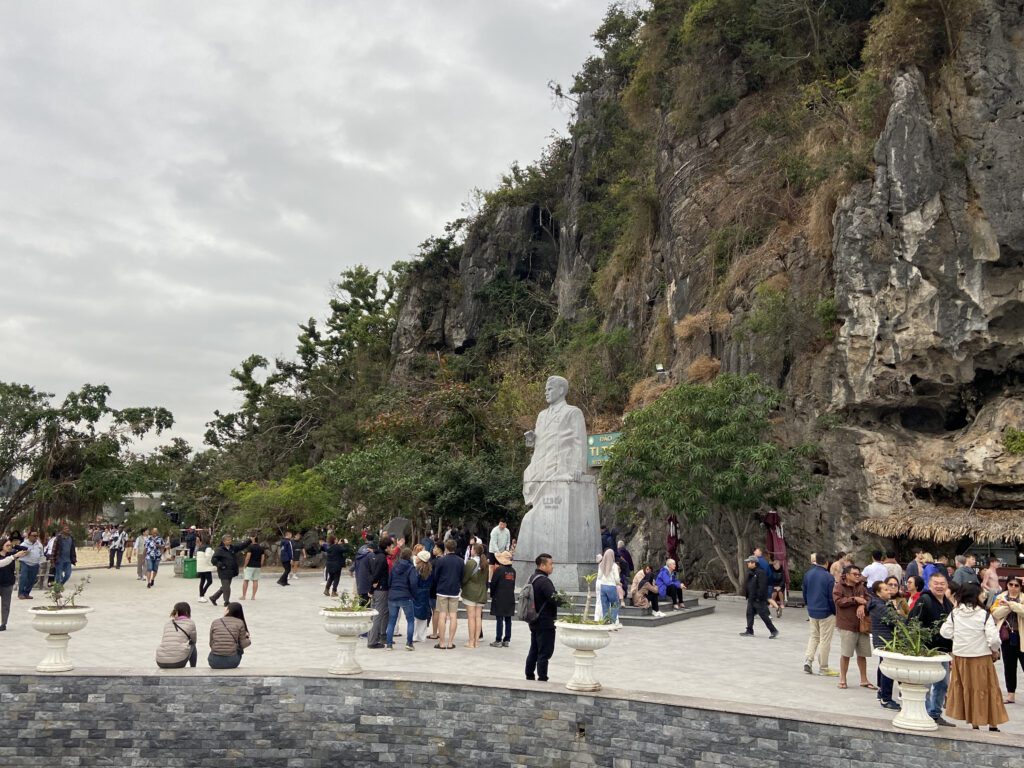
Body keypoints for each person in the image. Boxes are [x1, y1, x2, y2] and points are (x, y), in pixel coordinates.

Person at [940, 582, 1008, 731]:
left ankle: (974, 723)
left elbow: (945, 632)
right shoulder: (983, 614)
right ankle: (992, 724)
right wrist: (994, 650)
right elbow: (994, 639)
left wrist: (958, 637)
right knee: (987, 689)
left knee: (967, 689)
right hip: (980, 657)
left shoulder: (955, 613)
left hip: (960, 657)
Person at [909, 571, 955, 726]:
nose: (939, 586)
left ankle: (935, 713)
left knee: (943, 684)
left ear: (947, 585)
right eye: (936, 583)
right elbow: (913, 623)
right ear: (930, 584)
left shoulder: (947, 603)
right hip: (927, 650)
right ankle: (924, 712)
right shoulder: (924, 599)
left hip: (942, 652)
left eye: (942, 583)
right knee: (926, 685)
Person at [833, 564, 871, 690]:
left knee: (863, 654)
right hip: (847, 624)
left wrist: (862, 605)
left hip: (862, 625)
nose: (857, 576)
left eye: (859, 574)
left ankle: (864, 679)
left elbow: (869, 600)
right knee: (846, 653)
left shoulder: (861, 586)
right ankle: (843, 678)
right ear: (847, 575)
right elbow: (839, 602)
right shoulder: (839, 586)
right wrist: (855, 600)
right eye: (854, 574)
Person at [802, 552, 838, 676]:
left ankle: (808, 660)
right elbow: (830, 597)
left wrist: (809, 605)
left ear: (815, 561)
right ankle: (823, 667)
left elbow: (804, 592)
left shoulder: (808, 574)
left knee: (814, 637)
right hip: (826, 612)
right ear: (827, 563)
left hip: (812, 610)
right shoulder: (829, 577)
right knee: (825, 640)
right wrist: (835, 611)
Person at [991, 576, 1024, 704]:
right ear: (1007, 585)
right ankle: (1011, 694)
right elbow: (995, 613)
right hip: (1006, 637)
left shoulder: (1023, 598)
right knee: (1009, 666)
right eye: (1011, 584)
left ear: (1020, 587)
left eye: (1016, 585)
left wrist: (1010, 604)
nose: (1013, 588)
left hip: (1021, 636)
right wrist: (1011, 607)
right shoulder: (1000, 598)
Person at [868, 580, 900, 710]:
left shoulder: (884, 603)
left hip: (886, 639)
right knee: (888, 669)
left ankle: (881, 693)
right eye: (886, 589)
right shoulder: (878, 606)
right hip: (885, 640)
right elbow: (895, 620)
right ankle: (886, 699)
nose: (890, 591)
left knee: (883, 666)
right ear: (878, 593)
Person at [525, 553, 557, 682]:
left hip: (534, 619)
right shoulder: (544, 581)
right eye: (550, 564)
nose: (552, 567)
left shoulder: (532, 578)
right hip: (545, 621)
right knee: (545, 651)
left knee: (534, 648)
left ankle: (529, 674)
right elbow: (554, 598)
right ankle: (542, 677)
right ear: (542, 565)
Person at [432, 539, 463, 650]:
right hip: (454, 590)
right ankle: (450, 642)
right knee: (453, 615)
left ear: (446, 548)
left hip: (442, 590)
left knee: (442, 615)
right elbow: (461, 575)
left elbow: (436, 576)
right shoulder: (460, 561)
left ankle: (442, 642)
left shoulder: (441, 560)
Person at [385, 547, 418, 651]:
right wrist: (413, 595)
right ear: (410, 557)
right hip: (406, 596)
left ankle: (389, 644)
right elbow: (413, 583)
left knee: (391, 621)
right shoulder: (411, 568)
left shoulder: (395, 566)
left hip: (393, 595)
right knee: (410, 620)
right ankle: (409, 643)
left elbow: (389, 580)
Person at [740, 555, 778, 639]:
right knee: (749, 614)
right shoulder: (751, 572)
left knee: (764, 615)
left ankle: (773, 630)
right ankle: (749, 630)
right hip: (751, 598)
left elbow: (763, 586)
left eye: (749, 562)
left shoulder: (761, 572)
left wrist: (759, 597)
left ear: (754, 563)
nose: (747, 564)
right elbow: (749, 585)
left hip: (758, 599)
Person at [208, 535, 249, 607]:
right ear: (224, 541)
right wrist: (220, 565)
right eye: (227, 540)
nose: (229, 541)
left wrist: (250, 540)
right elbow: (213, 560)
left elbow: (241, 546)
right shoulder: (219, 550)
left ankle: (213, 597)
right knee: (226, 587)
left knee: (225, 586)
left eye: (230, 540)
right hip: (223, 571)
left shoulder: (232, 548)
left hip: (231, 571)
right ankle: (226, 602)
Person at [366, 536, 392, 649]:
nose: (392, 548)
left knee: (374, 615)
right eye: (391, 546)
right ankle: (372, 641)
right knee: (378, 615)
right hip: (381, 589)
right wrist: (372, 587)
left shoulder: (375, 556)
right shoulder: (381, 558)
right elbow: (376, 574)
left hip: (377, 589)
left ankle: (371, 638)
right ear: (386, 547)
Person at [208, 602, 251, 669]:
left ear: (228, 610)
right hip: (232, 662)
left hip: (214, 661)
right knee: (239, 649)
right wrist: (248, 639)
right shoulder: (240, 622)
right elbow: (243, 644)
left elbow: (211, 643)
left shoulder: (215, 622)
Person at [461, 542, 488, 648]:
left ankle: (471, 641)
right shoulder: (485, 563)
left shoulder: (471, 563)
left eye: (472, 549)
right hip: (482, 592)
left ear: (475, 551)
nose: (470, 551)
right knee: (478, 617)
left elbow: (465, 577)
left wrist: (462, 586)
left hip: (471, 592)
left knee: (471, 617)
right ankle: (476, 641)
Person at [156, 602, 198, 669]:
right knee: (192, 644)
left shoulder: (168, 623)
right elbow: (194, 640)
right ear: (187, 612)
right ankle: (193, 668)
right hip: (177, 663)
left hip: (160, 662)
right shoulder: (190, 623)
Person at [489, 551, 516, 647]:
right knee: (508, 619)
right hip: (510, 597)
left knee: (499, 619)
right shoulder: (513, 571)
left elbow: (493, 583)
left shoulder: (499, 570)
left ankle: (498, 639)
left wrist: (492, 594)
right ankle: (507, 639)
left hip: (499, 597)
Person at [0, 540, 28, 631]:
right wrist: (14, 556)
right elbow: (2, 563)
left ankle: (3, 624)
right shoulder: (11, 556)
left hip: (8, 583)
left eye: (10, 545)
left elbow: (26, 550)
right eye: (7, 545)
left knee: (6, 605)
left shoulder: (11, 554)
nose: (9, 547)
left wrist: (16, 546)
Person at [412, 550, 433, 643]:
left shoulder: (417, 570)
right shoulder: (429, 569)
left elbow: (413, 582)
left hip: (417, 593)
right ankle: (422, 636)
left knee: (415, 615)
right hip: (426, 593)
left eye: (417, 556)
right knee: (423, 615)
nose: (415, 557)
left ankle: (415, 636)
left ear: (420, 559)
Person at [16, 529, 44, 600]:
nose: (36, 537)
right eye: (34, 536)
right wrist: (25, 553)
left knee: (32, 580)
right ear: (29, 536)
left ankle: (26, 593)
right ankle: (21, 593)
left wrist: (40, 563)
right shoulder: (23, 544)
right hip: (25, 563)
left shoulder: (39, 545)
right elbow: (17, 555)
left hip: (35, 564)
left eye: (37, 536)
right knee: (24, 578)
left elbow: (41, 555)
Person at [596, 548, 621, 624]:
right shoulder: (614, 565)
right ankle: (613, 622)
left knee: (605, 605)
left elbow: (599, 576)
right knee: (615, 604)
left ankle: (605, 621)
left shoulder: (601, 564)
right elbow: (616, 578)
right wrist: (618, 583)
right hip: (611, 586)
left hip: (603, 586)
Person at [240, 535, 265, 600]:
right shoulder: (261, 548)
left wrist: (245, 565)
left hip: (250, 566)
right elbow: (262, 558)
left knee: (246, 580)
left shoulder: (250, 547)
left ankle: (244, 596)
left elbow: (248, 557)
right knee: (255, 580)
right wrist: (260, 565)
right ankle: (253, 596)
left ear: (253, 539)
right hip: (258, 566)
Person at [196, 538, 215, 603]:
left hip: (200, 567)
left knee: (202, 581)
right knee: (209, 581)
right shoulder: (208, 548)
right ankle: (202, 594)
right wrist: (212, 565)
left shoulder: (200, 547)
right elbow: (208, 557)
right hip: (206, 567)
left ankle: (201, 596)